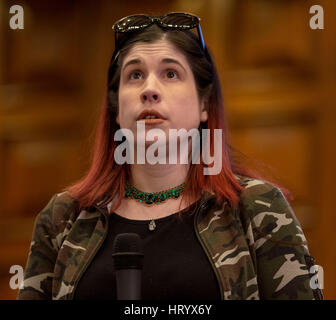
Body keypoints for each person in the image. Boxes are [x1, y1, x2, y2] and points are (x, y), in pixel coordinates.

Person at [18, 12, 323, 300]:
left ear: (205, 105)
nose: (149, 89)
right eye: (135, 75)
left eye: (170, 74)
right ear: (116, 110)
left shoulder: (257, 210)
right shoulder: (62, 218)